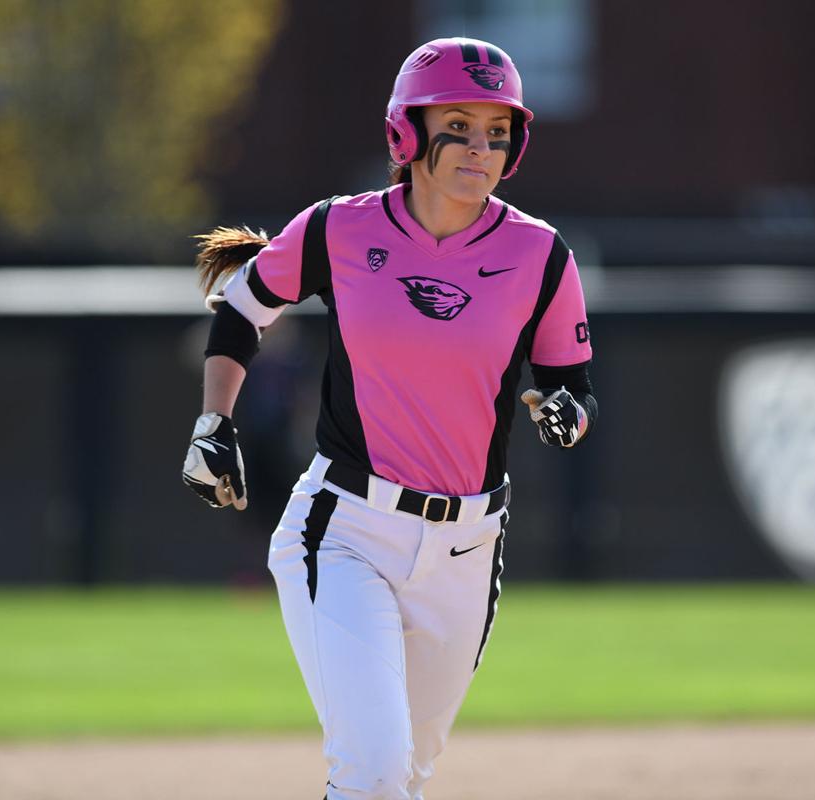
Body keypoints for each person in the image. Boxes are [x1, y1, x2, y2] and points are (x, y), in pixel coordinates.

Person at [181, 37, 598, 800]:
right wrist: (215, 422)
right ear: (407, 132)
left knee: (406, 772)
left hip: (469, 549)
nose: (481, 146)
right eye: (460, 125)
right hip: (345, 532)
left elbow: (572, 385)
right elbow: (244, 304)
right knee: (370, 766)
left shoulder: (540, 255)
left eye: (498, 130)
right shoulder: (340, 229)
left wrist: (567, 413)